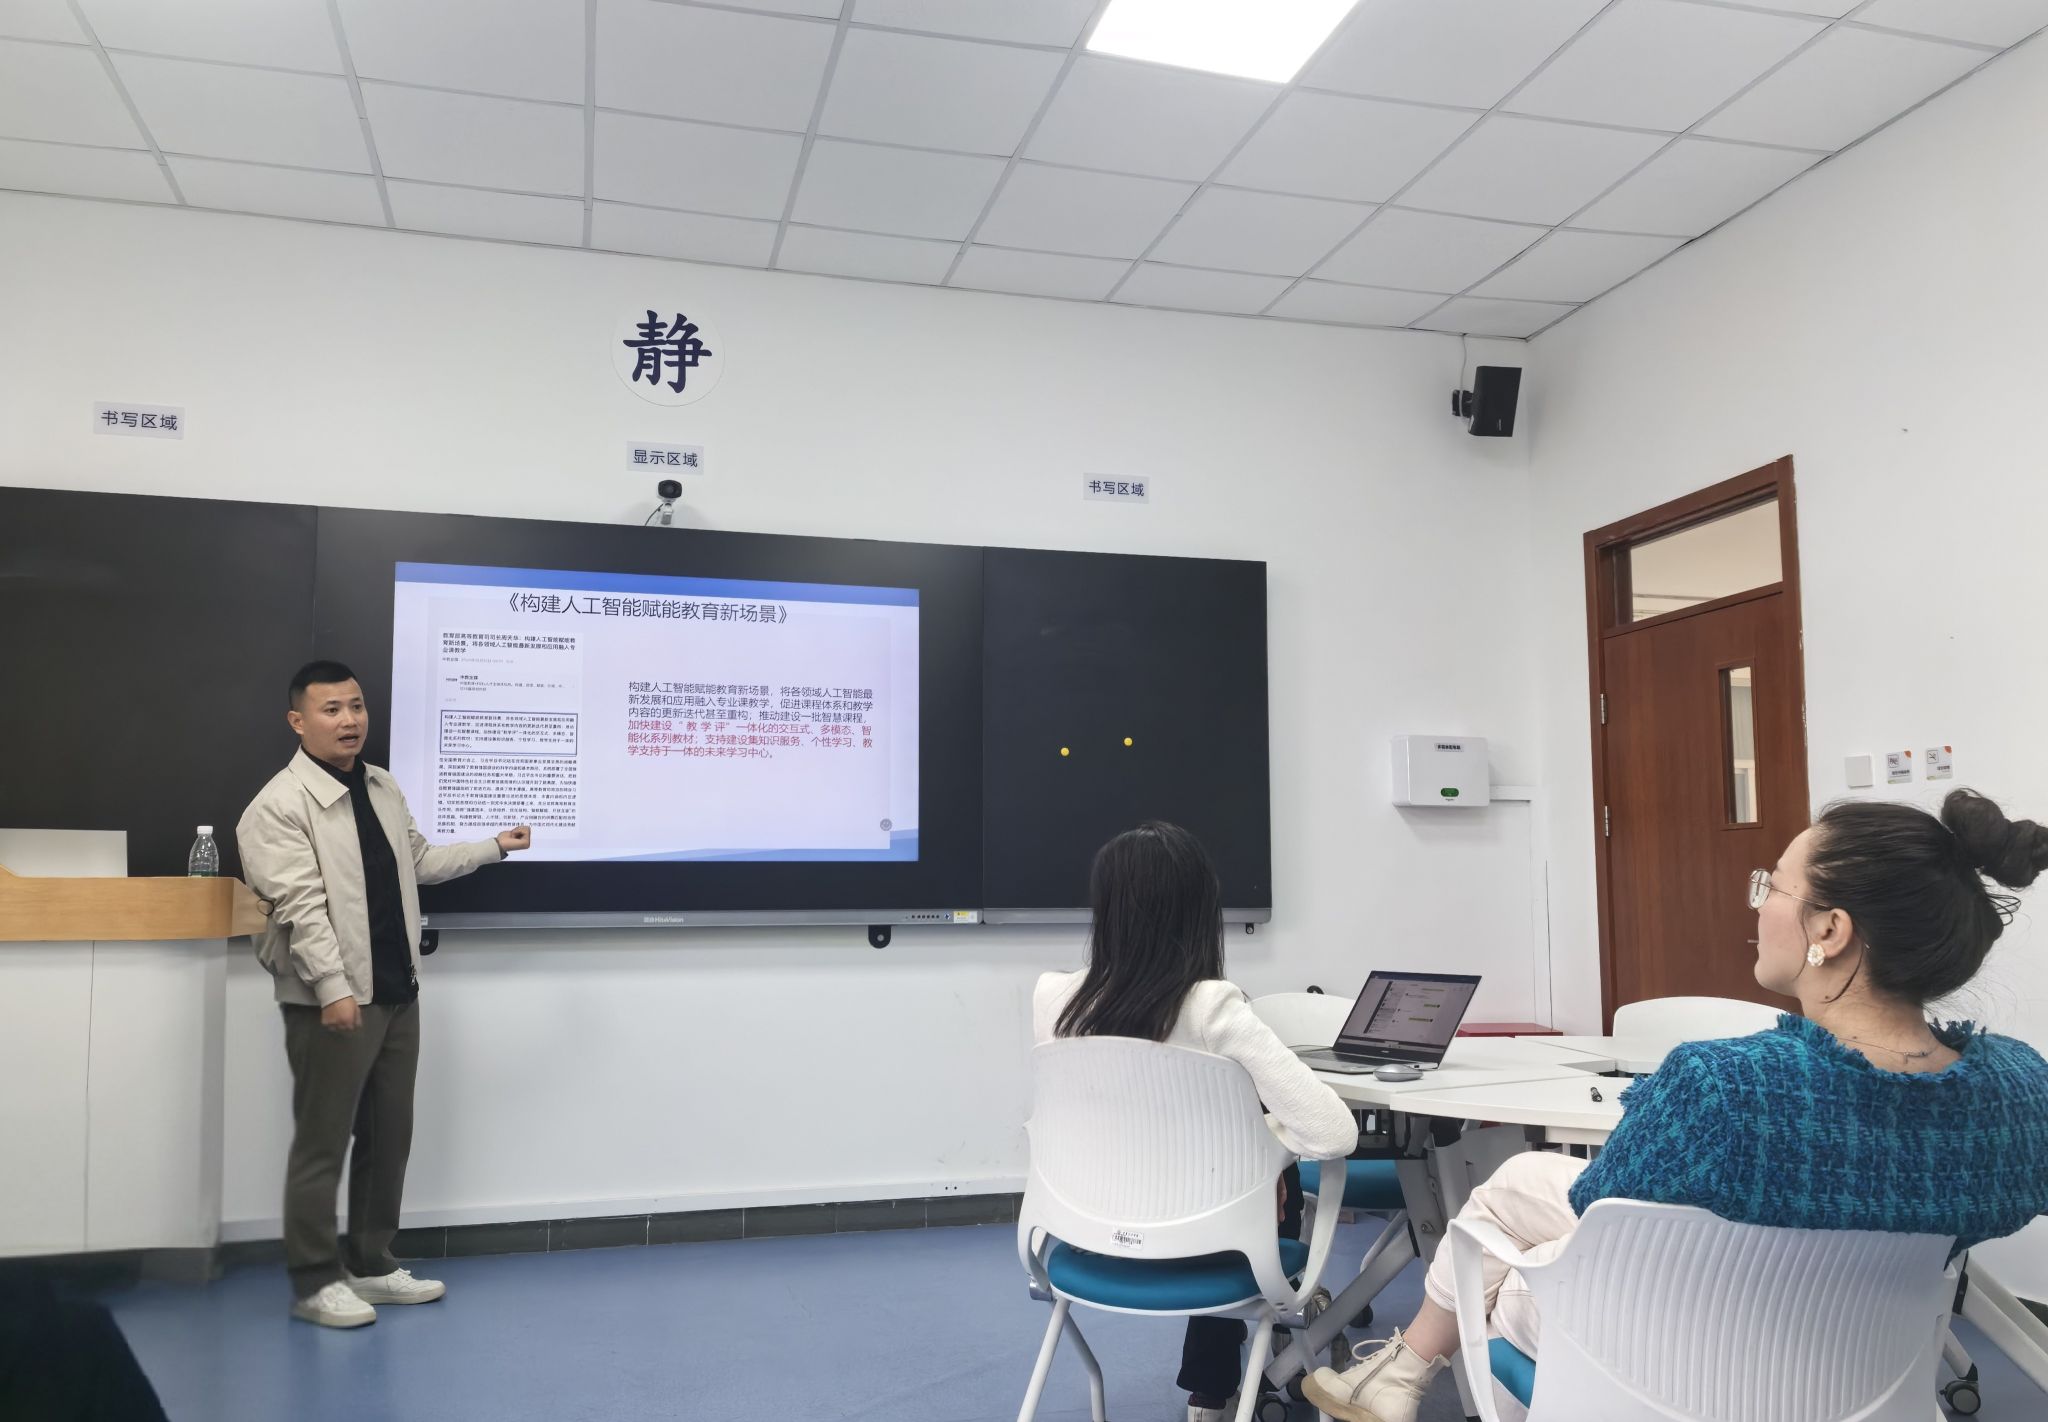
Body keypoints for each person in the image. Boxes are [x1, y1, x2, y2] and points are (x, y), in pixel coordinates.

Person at [1305, 788, 2048, 1422]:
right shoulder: (2016, 1093)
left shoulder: (1727, 1088)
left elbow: (1602, 1208)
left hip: (1674, 1370)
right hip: (1867, 1369)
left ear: (1830, 929)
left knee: (1499, 1258)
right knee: (1521, 1184)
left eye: (1773, 888)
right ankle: (1396, 1373)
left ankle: (1403, 1368)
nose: (1758, 906)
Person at [237, 660, 530, 1329]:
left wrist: (493, 846)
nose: (350, 720)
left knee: (388, 1136)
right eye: (332, 709)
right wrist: (332, 989)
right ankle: (315, 1283)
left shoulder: (380, 785)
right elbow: (301, 909)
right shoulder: (278, 806)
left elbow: (417, 861)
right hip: (332, 1001)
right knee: (322, 1143)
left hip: (397, 991)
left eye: (357, 706)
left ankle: (370, 1264)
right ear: (298, 721)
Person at [1033, 822, 1359, 1422]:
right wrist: (1265, 1151)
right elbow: (1334, 1134)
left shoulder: (1054, 999)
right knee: (1259, 1184)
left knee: (1229, 1177)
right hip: (1204, 1246)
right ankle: (1217, 1387)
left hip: (1084, 1241)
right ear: (1198, 912)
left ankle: (1212, 1390)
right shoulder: (1211, 1005)